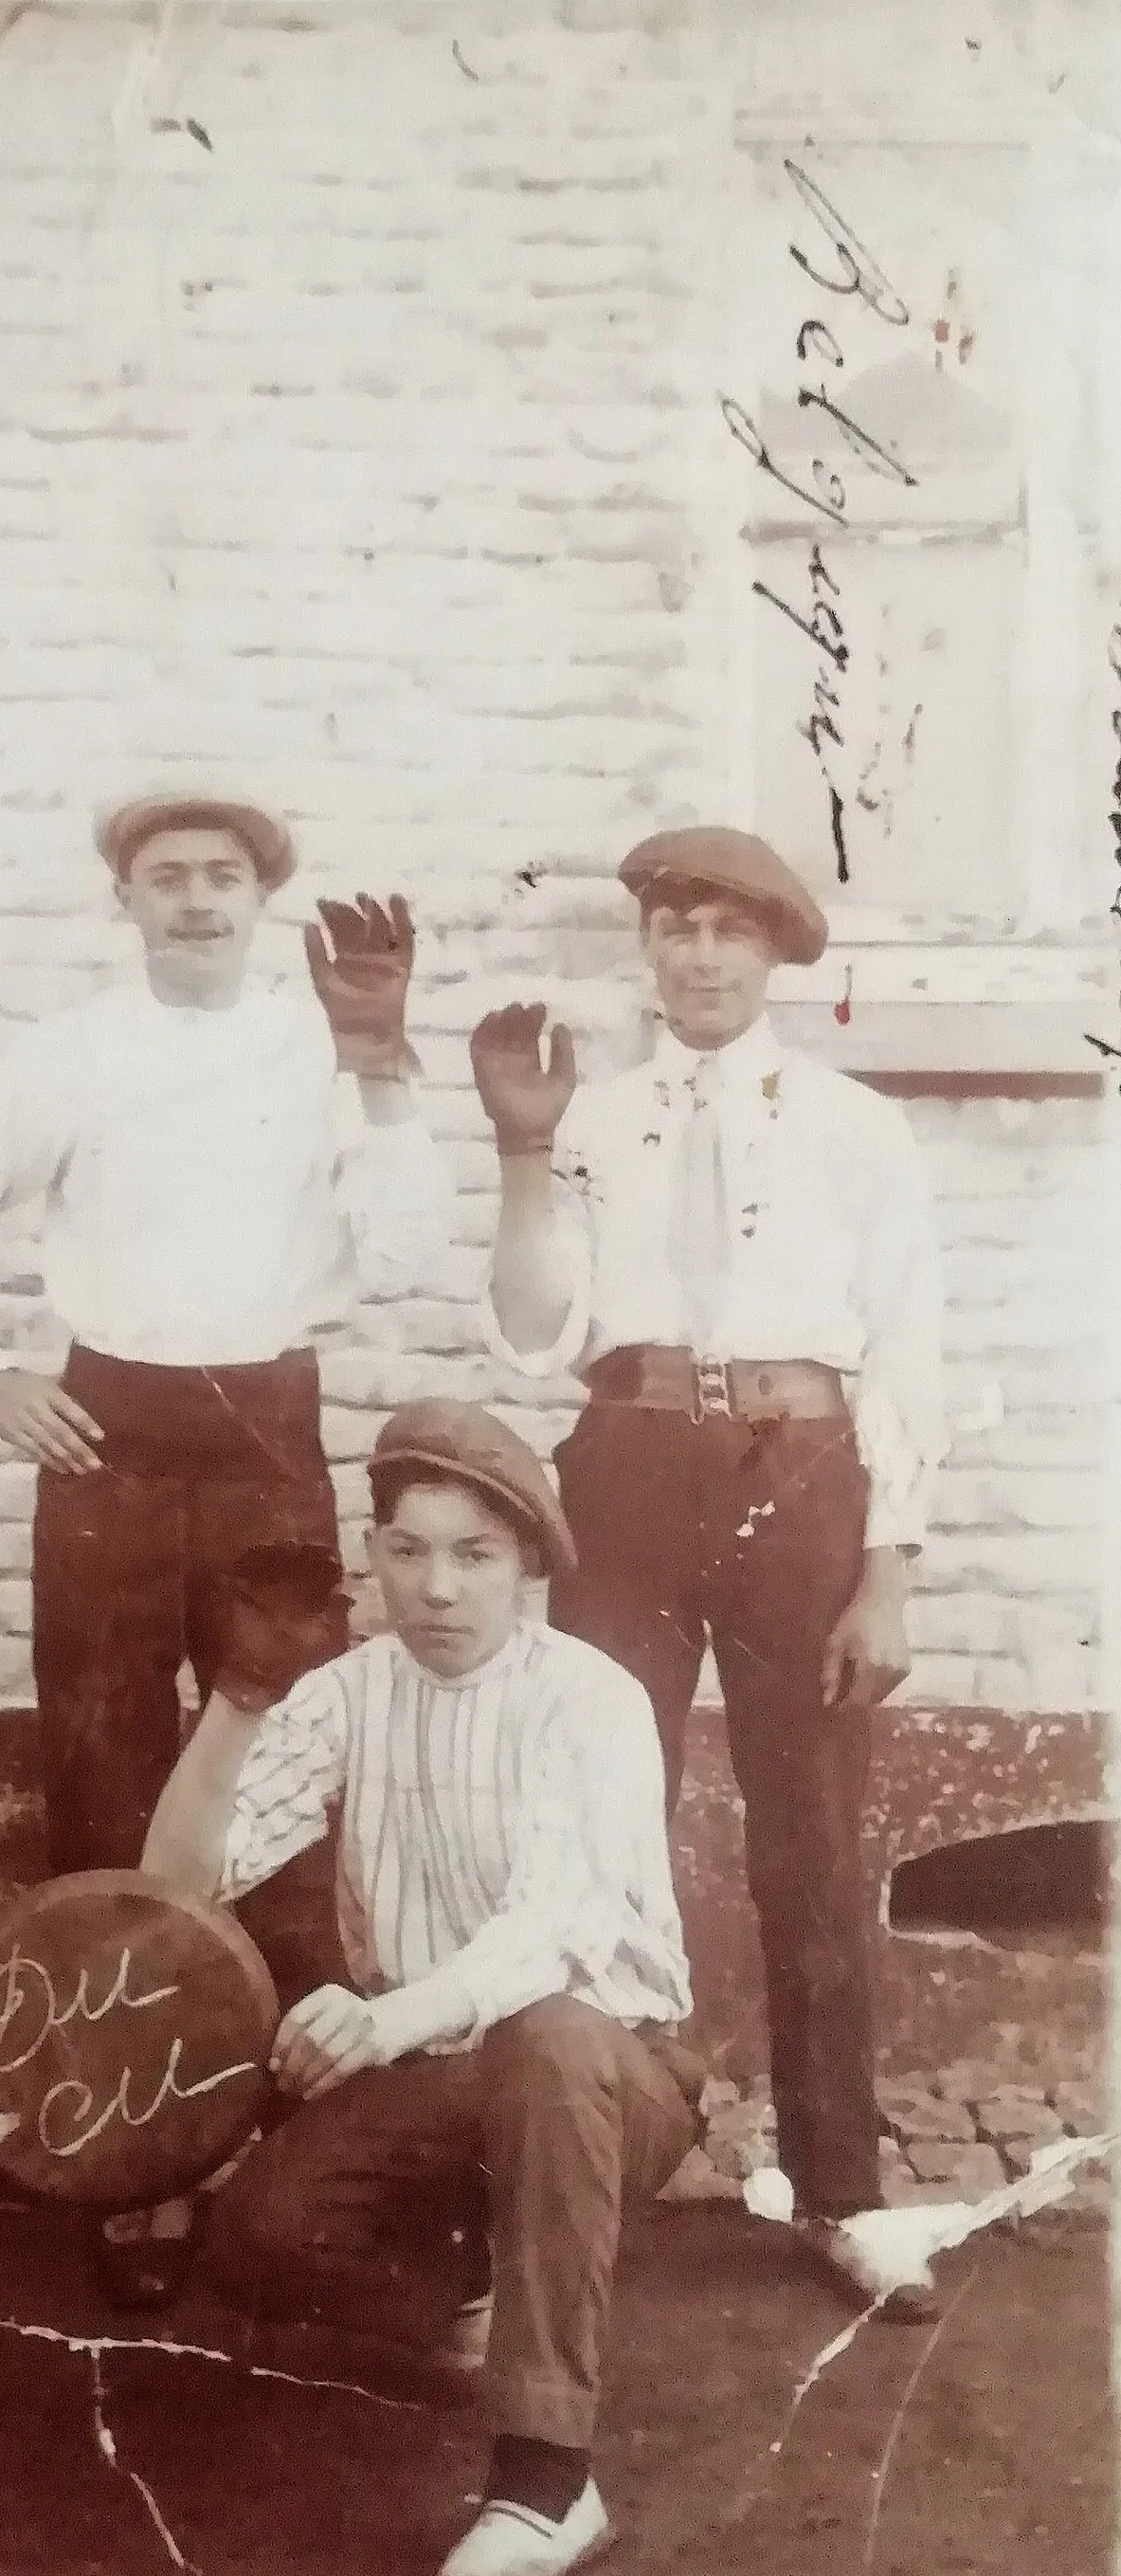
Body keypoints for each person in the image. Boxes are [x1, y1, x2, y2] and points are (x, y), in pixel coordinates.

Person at [0, 788, 453, 2305]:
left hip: (270, 1417)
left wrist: (384, 1068)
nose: (198, 900)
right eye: (168, 877)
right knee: (100, 1767)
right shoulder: (70, 1052)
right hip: (105, 1426)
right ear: (126, 898)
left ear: (265, 896)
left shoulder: (322, 1038)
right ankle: (120, 2159)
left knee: (284, 1766)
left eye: (225, 876)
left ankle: (276, 2144)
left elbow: (410, 1254)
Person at [468, 825, 945, 2321]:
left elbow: (912, 1346)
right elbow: (532, 1336)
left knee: (808, 1834)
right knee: (597, 1819)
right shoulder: (589, 1114)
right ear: (649, 952)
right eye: (677, 930)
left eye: (732, 934)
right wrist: (524, 1152)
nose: (702, 957)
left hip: (800, 1478)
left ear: (778, 956)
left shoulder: (857, 1124)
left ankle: (843, 2193)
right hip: (628, 1469)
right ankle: (572, 2179)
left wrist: (891, 1568)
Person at [138, 1400, 704, 2576]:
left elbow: (553, 1930)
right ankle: (486, 2290)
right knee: (262, 2239)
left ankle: (548, 2479)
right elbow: (182, 1888)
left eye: (474, 1555)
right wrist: (239, 1698)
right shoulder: (351, 1691)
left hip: (608, 2069)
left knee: (547, 2035)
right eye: (407, 1550)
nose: (436, 1588)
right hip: (436, 2077)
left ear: (530, 1569)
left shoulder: (591, 1699)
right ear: (373, 1556)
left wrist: (384, 2022)